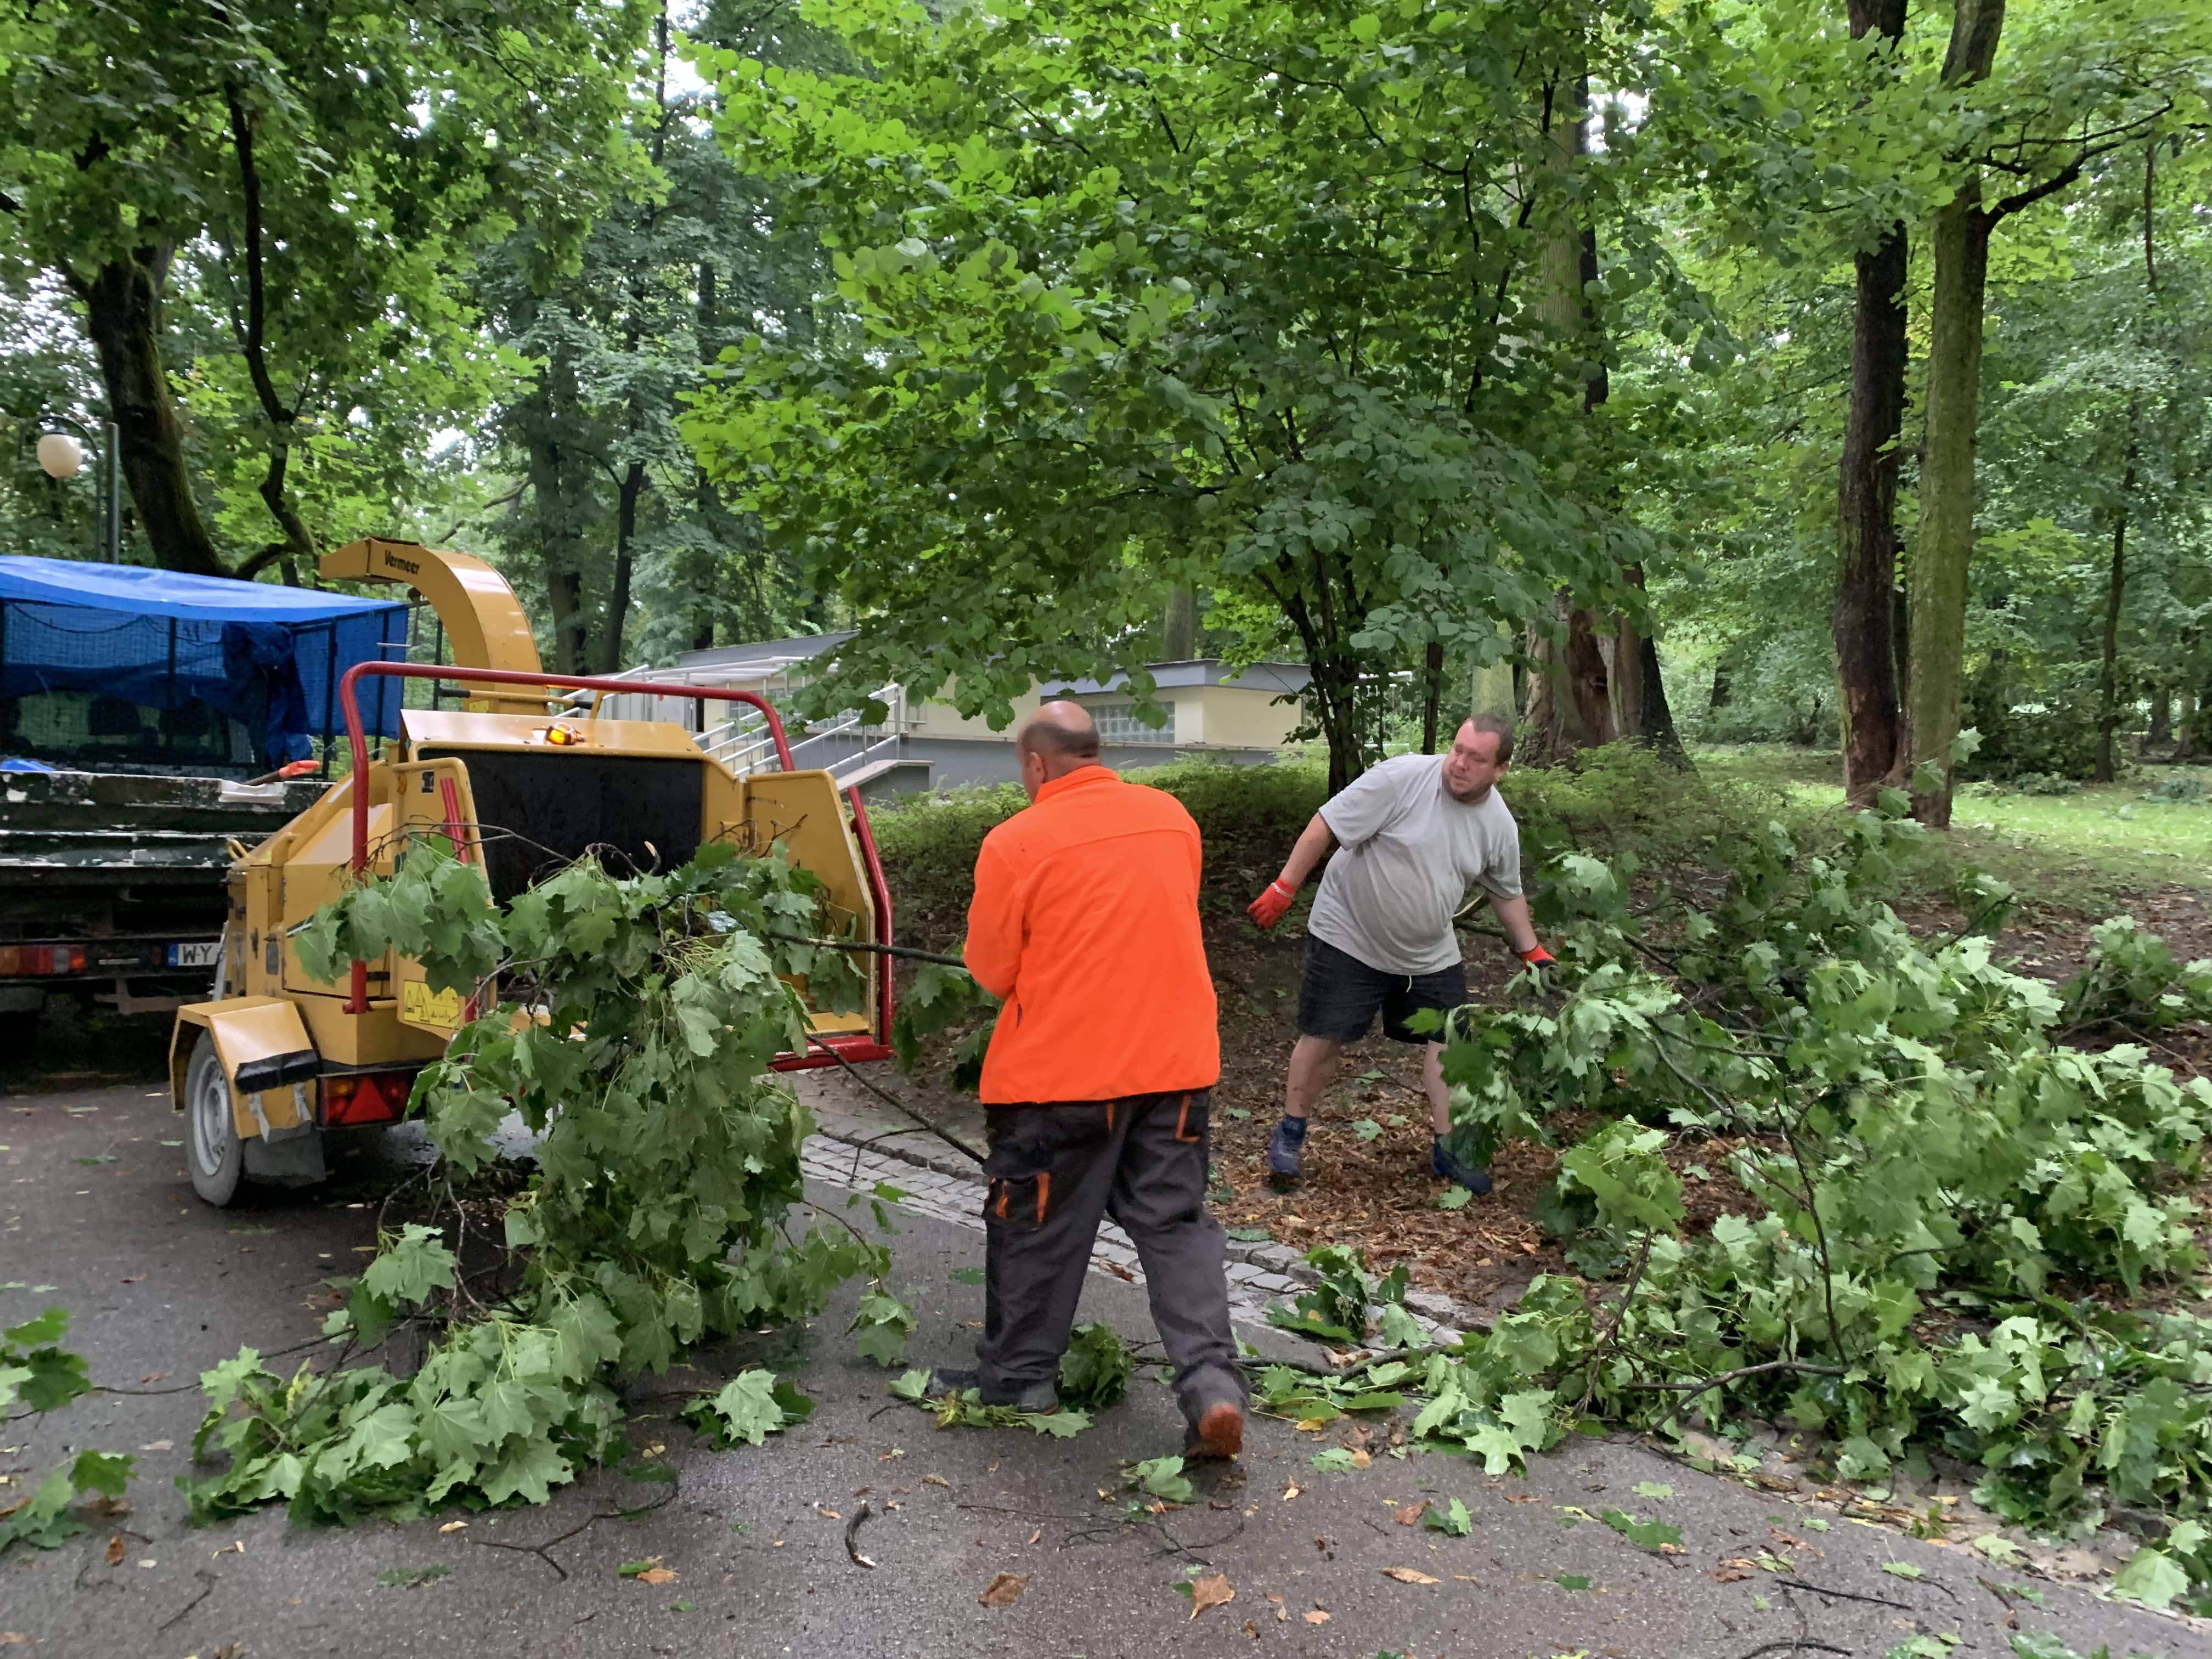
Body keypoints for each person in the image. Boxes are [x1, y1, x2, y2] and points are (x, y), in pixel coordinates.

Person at [933, 701, 1246, 1459]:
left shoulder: (1016, 842)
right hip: (1175, 1066)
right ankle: (1213, 1385)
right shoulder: (1173, 819)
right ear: (1096, 753)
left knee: (1036, 1224)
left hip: (1061, 1077)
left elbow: (993, 970)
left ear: (1037, 765)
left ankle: (1017, 1378)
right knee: (1174, 1227)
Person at [1246, 713, 1553, 1192]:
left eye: (1477, 758)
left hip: (1427, 951)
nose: (1461, 764)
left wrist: (1530, 949)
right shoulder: (1402, 778)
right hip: (1349, 933)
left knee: (1452, 1038)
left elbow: (1505, 891)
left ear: (1501, 770)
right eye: (1458, 750)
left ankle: (1448, 1150)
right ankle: (1291, 1131)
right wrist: (1285, 886)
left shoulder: (1498, 825)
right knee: (1325, 1036)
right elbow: (1327, 822)